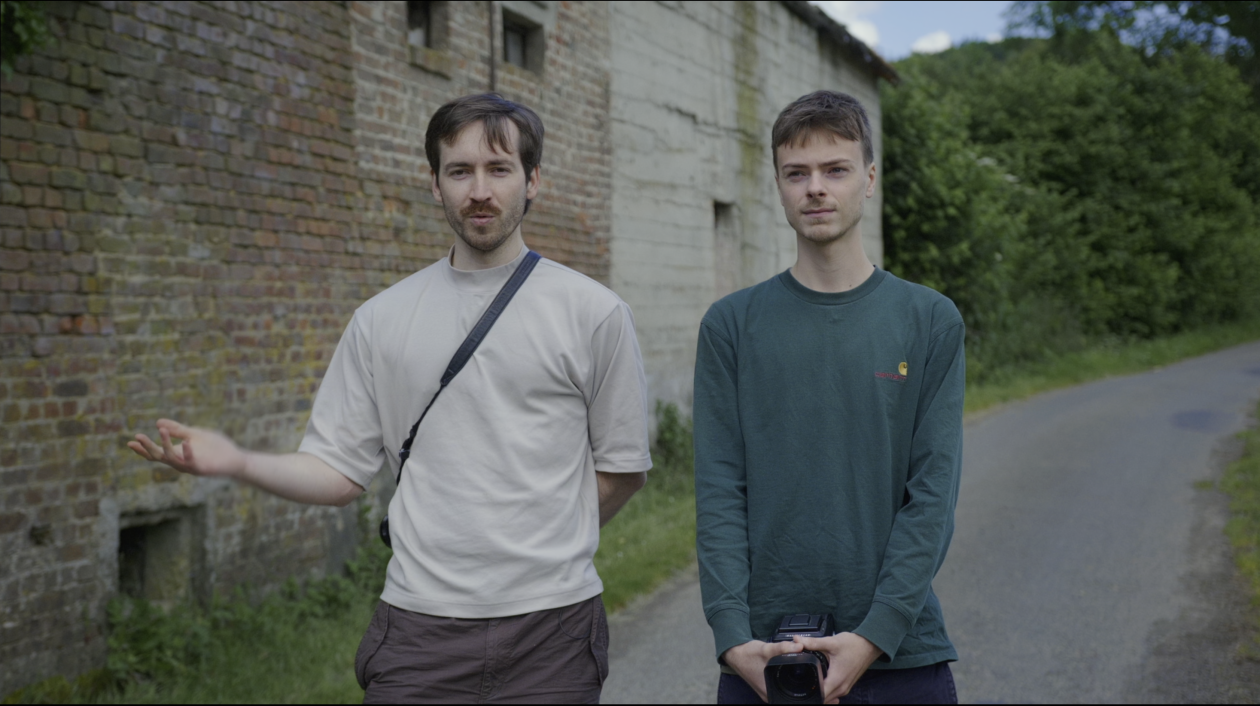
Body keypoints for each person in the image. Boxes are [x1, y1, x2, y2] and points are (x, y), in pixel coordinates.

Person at [129, 93, 653, 704]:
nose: (478, 190)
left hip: (553, 629)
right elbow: (337, 471)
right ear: (435, 184)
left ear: (532, 181)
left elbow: (621, 470)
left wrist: (540, 539)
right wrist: (236, 462)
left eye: (499, 169)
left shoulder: (594, 313)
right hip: (418, 632)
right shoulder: (381, 320)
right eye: (459, 171)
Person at [693, 90, 964, 705]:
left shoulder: (929, 320)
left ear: (868, 180)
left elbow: (933, 495)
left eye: (835, 169)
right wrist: (733, 638)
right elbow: (717, 492)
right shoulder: (731, 325)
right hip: (764, 662)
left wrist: (876, 632)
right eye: (797, 173)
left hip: (901, 657)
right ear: (779, 187)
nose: (816, 188)